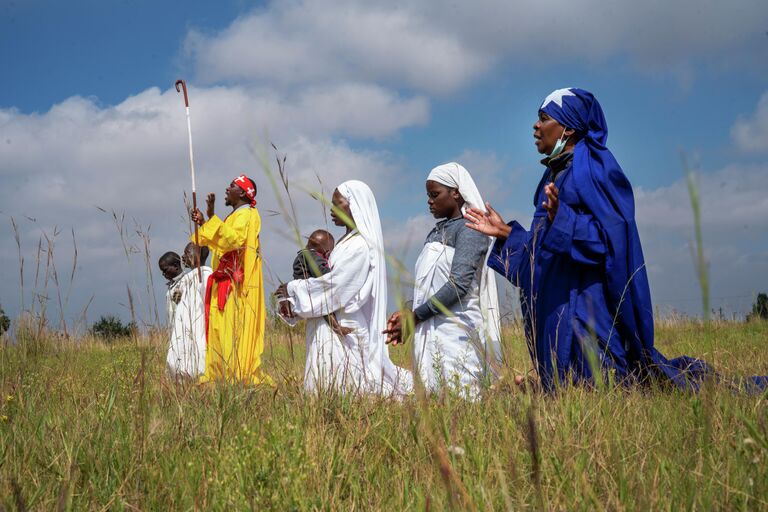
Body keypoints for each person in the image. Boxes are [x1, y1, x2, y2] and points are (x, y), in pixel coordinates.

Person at [464, 87, 758, 392]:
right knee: (566, 396)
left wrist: (563, 218)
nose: (535, 126)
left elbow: (611, 241)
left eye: (543, 118)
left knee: (614, 389)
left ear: (568, 127)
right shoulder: (552, 178)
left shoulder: (594, 169)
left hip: (585, 316)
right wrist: (507, 233)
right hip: (557, 312)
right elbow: (544, 256)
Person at [276, 180, 412, 395]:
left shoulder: (358, 246)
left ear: (355, 205)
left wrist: (293, 288)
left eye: (338, 203)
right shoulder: (344, 242)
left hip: (343, 326)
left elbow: (336, 288)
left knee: (348, 388)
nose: (332, 209)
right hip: (330, 323)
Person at [384, 163, 501, 397]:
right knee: (433, 402)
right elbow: (429, 286)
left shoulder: (470, 228)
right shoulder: (436, 233)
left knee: (463, 397)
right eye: (428, 195)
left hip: (456, 333)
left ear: (456, 193)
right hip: (430, 328)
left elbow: (458, 286)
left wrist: (415, 316)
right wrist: (408, 310)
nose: (429, 201)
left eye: (435, 195)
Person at [190, 174, 272, 386]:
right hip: (222, 283)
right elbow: (219, 241)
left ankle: (236, 377)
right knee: (218, 330)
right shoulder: (234, 216)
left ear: (243, 193)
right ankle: (219, 377)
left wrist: (211, 216)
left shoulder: (248, 215)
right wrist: (205, 221)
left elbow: (233, 241)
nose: (227, 189)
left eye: (232, 186)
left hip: (235, 286)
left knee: (231, 331)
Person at [164, 243, 212, 378]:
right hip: (184, 327)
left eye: (187, 253)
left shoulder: (207, 276)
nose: (183, 257)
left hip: (198, 326)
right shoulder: (188, 278)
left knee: (198, 358)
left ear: (197, 254)